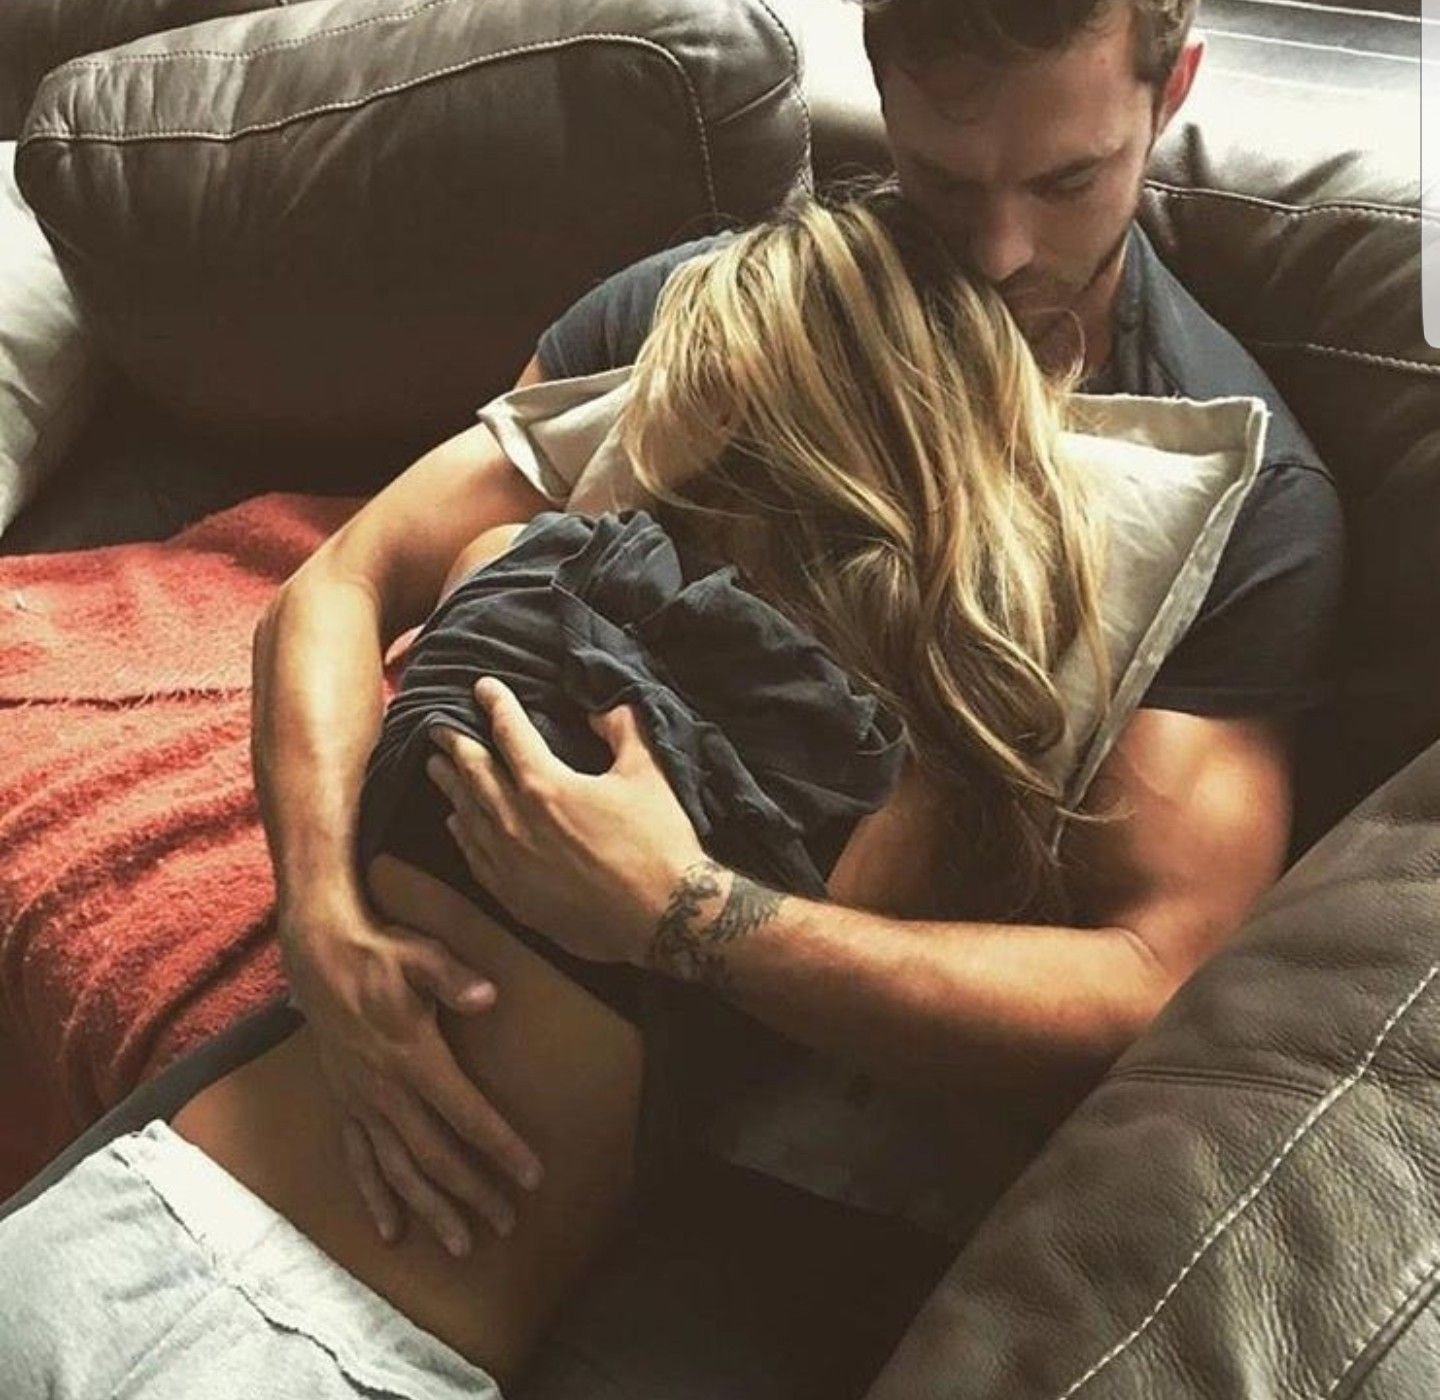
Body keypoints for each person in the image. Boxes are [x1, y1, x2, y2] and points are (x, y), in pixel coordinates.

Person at [251, 0, 1345, 1389]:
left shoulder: (1241, 496)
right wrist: (319, 920)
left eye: (1068, 182)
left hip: (802, 1176)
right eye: (948, 180)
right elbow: (346, 582)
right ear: (881, 79)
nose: (1002, 252)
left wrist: (691, 917)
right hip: (468, 988)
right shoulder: (709, 308)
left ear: (1170, 88)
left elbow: (1159, 977)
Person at [2, 192, 1112, 1398]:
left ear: (722, 392)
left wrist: (658, 897)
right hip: (359, 1345)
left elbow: (350, 586)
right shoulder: (899, 798)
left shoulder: (513, 572)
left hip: (148, 1212)